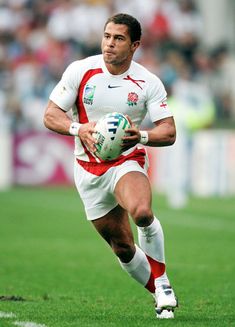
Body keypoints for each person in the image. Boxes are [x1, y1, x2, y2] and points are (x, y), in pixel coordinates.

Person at [44, 13, 178, 319]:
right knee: (123, 247)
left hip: (126, 161)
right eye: (107, 36)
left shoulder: (148, 82)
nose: (109, 44)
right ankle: (158, 290)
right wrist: (80, 129)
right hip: (88, 170)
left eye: (118, 39)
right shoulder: (81, 70)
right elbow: (50, 114)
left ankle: (163, 283)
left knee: (142, 213)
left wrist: (140, 136)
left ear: (135, 45)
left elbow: (168, 131)